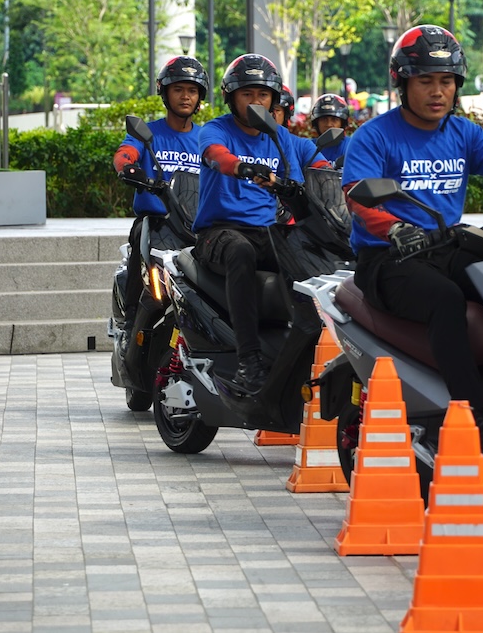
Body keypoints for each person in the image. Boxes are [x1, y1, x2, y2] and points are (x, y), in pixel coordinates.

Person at [342, 25, 483, 471]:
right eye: (426, 81)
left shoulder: (463, 133)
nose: (438, 92)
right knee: (446, 299)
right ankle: (473, 416)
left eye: (446, 81)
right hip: (388, 257)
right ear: (403, 83)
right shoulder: (374, 136)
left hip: (445, 245)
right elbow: (358, 197)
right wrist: (395, 227)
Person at [193, 53, 330, 395]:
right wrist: (241, 167)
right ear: (231, 97)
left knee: (309, 257)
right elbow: (214, 155)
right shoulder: (216, 129)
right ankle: (248, 360)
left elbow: (315, 168)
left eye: (263, 95)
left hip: (270, 232)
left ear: (273, 99)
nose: (256, 101)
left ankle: (309, 354)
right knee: (239, 251)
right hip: (219, 232)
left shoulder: (280, 137)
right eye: (247, 94)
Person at [112, 56, 207, 347]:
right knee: (140, 233)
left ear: (200, 97)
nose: (185, 96)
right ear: (164, 93)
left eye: (192, 90)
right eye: (178, 89)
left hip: (196, 225)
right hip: (157, 223)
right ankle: (131, 322)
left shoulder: (207, 138)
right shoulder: (148, 133)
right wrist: (129, 167)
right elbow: (125, 153)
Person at [309, 93, 350, 165]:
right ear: (316, 123)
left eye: (334, 120)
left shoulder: (351, 146)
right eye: (324, 119)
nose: (328, 124)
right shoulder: (308, 147)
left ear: (342, 123)